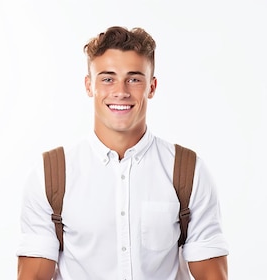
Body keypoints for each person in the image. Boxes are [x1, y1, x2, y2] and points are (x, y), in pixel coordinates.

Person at [15, 26, 229, 280]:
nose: (121, 91)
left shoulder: (188, 171)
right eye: (107, 78)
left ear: (152, 86)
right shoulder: (49, 174)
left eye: (134, 78)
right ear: (89, 85)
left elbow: (213, 276)